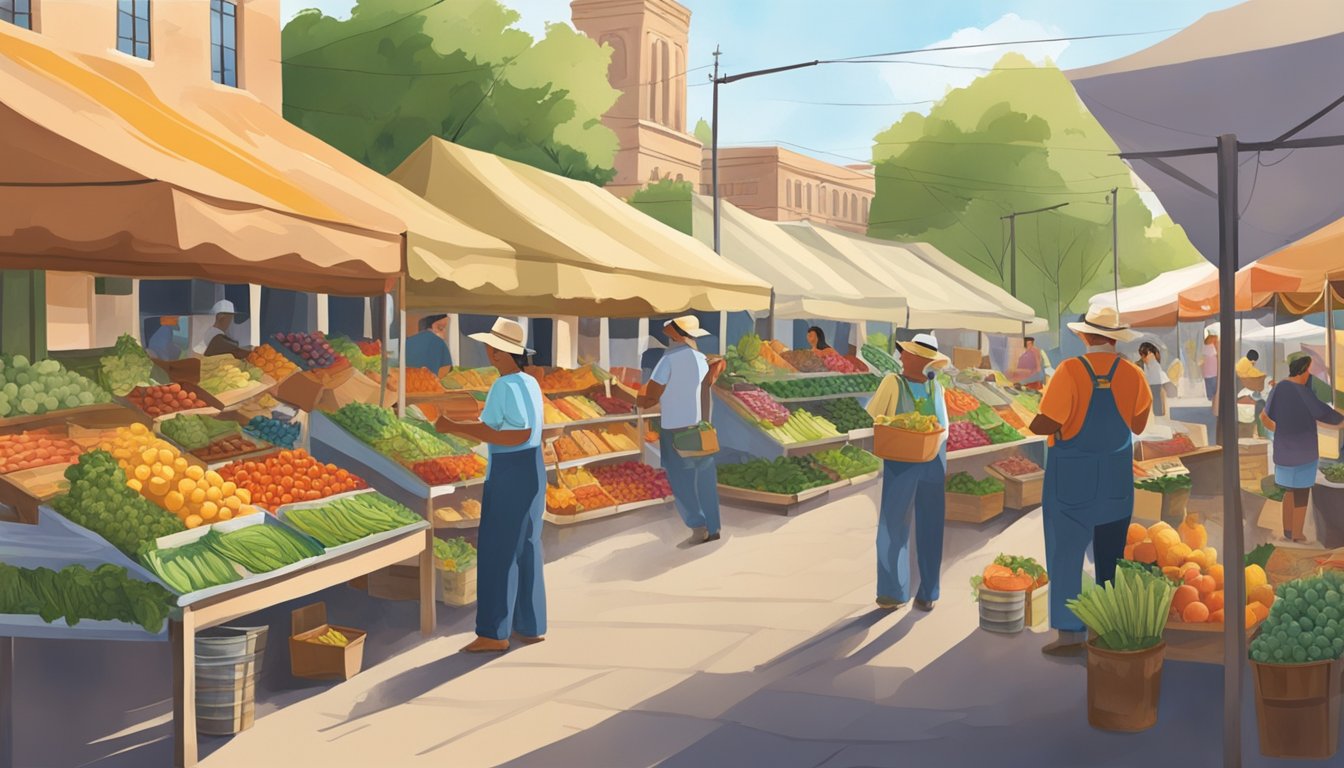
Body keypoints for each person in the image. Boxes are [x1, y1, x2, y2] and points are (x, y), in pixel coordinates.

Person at [1029, 306, 1152, 656]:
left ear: (1084, 335)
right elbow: (1139, 425)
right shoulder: (1133, 374)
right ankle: (1108, 632)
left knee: (1065, 554)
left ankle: (1070, 636)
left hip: (1071, 481)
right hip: (1115, 481)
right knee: (1110, 557)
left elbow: (1047, 423)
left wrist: (1035, 421)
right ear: (1115, 339)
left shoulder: (1069, 371)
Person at [435, 318, 547, 653]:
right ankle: (530, 624)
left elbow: (517, 434)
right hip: (534, 469)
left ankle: (493, 633)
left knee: (498, 550)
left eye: (490, 347)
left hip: (511, 470)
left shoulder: (504, 385)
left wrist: (454, 426)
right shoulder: (529, 383)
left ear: (498, 352)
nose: (487, 351)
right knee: (527, 546)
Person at [622, 316, 726, 546]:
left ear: (677, 336)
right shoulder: (702, 359)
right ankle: (714, 526)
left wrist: (632, 399)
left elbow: (652, 396)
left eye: (670, 334)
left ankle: (698, 527)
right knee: (705, 478)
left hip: (675, 429)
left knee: (682, 480)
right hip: (700, 426)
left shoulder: (668, 360)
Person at [865, 332, 950, 613]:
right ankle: (915, 592)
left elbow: (875, 416)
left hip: (911, 460)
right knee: (920, 525)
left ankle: (902, 592)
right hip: (926, 458)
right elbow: (943, 426)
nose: (901, 356)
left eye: (906, 353)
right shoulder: (926, 386)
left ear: (918, 358)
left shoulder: (901, 383)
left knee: (896, 524)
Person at [1260, 355, 1344, 543]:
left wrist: (1280, 430)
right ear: (1304, 371)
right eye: (1309, 372)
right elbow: (1325, 414)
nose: (1310, 376)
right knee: (1301, 492)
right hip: (1304, 453)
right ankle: (1298, 534)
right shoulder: (1303, 393)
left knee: (1288, 491)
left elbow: (1264, 417)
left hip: (1283, 452)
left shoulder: (1279, 388)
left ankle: (1288, 532)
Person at [1138, 342, 1167, 417]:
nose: (1142, 357)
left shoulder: (1151, 358)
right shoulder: (1153, 358)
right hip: (1154, 382)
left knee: (1155, 399)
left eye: (1142, 355)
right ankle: (1158, 414)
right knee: (1155, 399)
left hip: (1154, 383)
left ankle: (1158, 414)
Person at [1202, 327, 1219, 401]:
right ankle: (1215, 407)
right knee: (1215, 392)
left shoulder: (1204, 348)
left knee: (1210, 394)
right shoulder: (1212, 348)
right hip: (1213, 373)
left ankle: (1212, 403)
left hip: (1206, 373)